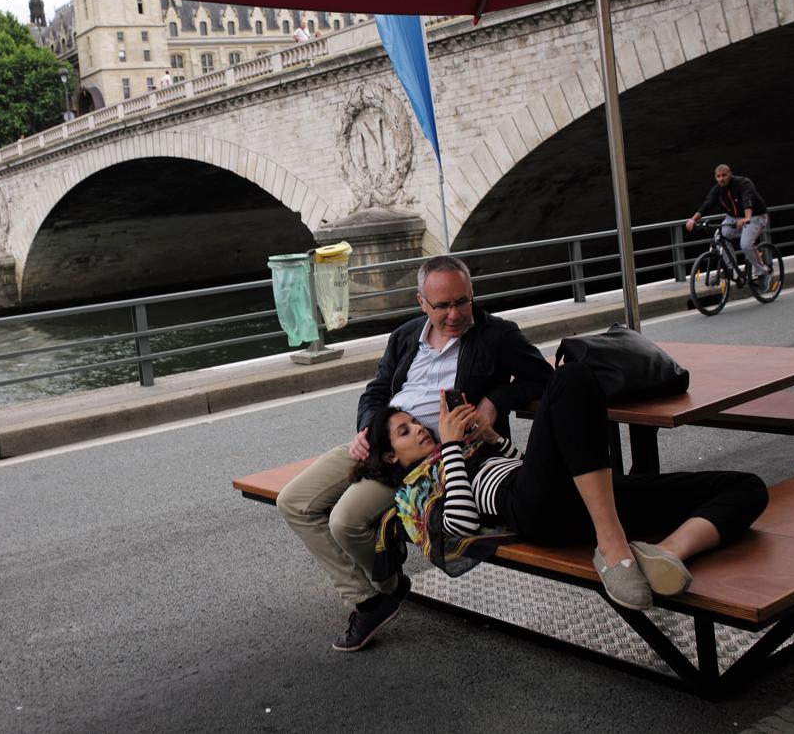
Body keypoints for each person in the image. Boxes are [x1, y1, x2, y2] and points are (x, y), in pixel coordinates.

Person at [276, 256, 552, 651]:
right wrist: (368, 430)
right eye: (442, 306)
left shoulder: (497, 336)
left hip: (432, 457)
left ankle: (377, 590)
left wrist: (495, 400)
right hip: (383, 439)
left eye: (462, 301)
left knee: (344, 521)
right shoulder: (406, 335)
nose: (454, 314)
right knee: (293, 502)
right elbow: (376, 390)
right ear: (421, 301)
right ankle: (374, 595)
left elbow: (541, 376)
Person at [359, 362, 768, 612]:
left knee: (746, 487)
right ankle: (613, 548)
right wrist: (450, 445)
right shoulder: (414, 494)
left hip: (585, 499)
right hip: (535, 511)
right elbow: (463, 524)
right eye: (404, 431)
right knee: (570, 376)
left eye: (414, 422)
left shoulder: (462, 453)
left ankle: (664, 555)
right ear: (391, 456)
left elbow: (521, 466)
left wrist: (491, 441)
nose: (418, 429)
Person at [685, 164, 773, 291]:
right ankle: (730, 270)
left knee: (746, 245)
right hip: (734, 218)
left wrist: (747, 218)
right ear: (715, 177)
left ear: (730, 174)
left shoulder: (743, 183)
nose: (721, 179)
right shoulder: (717, 190)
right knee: (719, 236)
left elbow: (747, 200)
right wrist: (693, 219)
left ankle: (764, 271)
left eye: (724, 175)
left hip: (755, 216)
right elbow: (707, 204)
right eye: (718, 176)